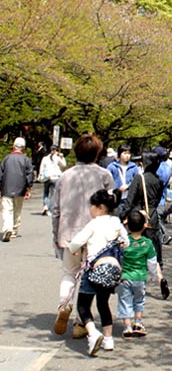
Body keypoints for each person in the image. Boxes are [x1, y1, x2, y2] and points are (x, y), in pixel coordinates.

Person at [52, 133, 116, 338]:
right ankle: (81, 322)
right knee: (90, 279)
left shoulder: (65, 176)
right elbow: (112, 207)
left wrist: (56, 235)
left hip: (69, 233)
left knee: (69, 273)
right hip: (96, 236)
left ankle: (64, 304)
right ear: (98, 153)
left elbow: (55, 209)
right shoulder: (104, 175)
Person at [69, 189, 130, 355]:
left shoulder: (94, 223)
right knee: (103, 304)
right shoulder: (117, 222)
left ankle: (93, 332)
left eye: (92, 206)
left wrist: (75, 248)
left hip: (93, 270)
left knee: (83, 305)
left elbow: (75, 243)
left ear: (100, 207)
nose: (91, 209)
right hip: (111, 269)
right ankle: (108, 339)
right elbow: (127, 242)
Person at [117, 210, 164, 338]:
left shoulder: (123, 242)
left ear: (127, 225)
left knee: (124, 302)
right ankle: (137, 323)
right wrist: (155, 276)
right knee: (139, 301)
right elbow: (152, 263)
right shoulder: (147, 244)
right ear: (144, 226)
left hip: (124, 277)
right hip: (140, 277)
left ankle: (127, 327)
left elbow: (118, 258)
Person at [123, 150, 165, 268]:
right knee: (154, 240)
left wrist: (123, 215)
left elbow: (129, 201)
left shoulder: (139, 178)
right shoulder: (159, 181)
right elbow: (157, 199)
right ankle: (157, 264)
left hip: (139, 214)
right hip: (152, 214)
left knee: (136, 240)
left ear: (144, 163)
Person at [0, 137, 34, 242]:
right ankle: (14, 230)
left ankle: (7, 228)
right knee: (17, 209)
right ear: (23, 148)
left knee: (7, 209)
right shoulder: (26, 160)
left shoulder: (6, 158)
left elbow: (0, 174)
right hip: (21, 188)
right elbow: (30, 175)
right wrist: (28, 188)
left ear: (14, 146)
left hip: (6, 188)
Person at [39, 145, 66, 216]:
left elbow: (41, 167)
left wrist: (41, 175)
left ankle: (45, 206)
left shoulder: (45, 158)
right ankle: (50, 209)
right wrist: (62, 157)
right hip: (55, 178)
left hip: (47, 177)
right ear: (56, 151)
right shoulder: (57, 158)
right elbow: (64, 165)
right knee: (53, 194)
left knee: (46, 193)